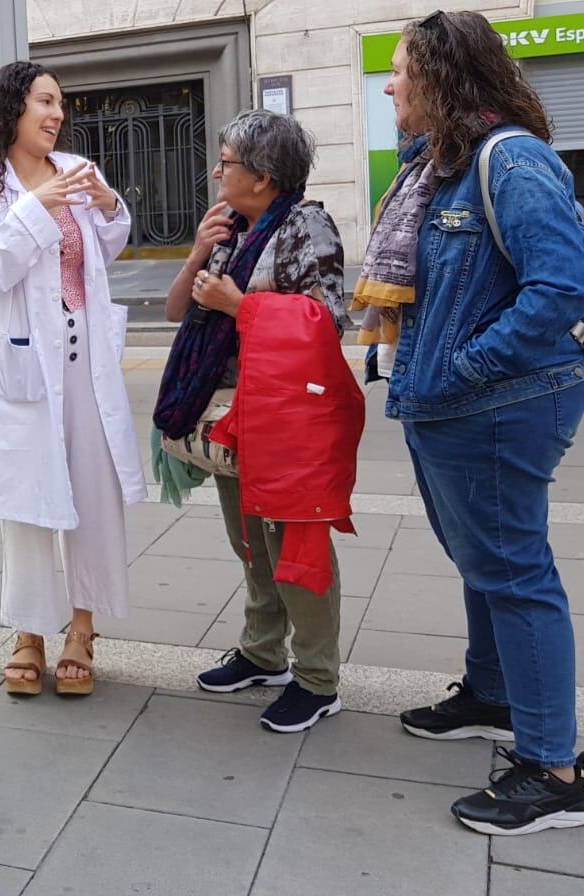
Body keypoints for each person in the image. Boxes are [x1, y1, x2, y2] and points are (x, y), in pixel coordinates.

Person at [360, 9, 584, 835]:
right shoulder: (435, 168)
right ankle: (492, 695)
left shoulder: (512, 159)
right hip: (447, 404)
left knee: (514, 571)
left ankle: (555, 771)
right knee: (482, 562)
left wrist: (469, 365)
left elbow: (561, 288)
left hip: (497, 403)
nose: (389, 84)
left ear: (440, 76)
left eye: (400, 70)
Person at [0, 60, 146, 697]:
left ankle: (82, 630)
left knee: (92, 489)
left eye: (61, 104)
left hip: (82, 356)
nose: (57, 115)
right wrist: (36, 207)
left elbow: (104, 245)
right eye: (45, 102)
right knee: (27, 499)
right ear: (11, 108)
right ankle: (29, 633)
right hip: (21, 359)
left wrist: (110, 205)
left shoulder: (77, 172)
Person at [158, 110, 353, 733]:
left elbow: (326, 321)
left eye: (227, 161)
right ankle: (263, 653)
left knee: (295, 548)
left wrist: (242, 306)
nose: (217, 170)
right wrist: (196, 254)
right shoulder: (231, 228)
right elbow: (173, 311)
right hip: (231, 414)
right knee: (249, 542)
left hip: (286, 419)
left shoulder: (306, 227)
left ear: (264, 176)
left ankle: (317, 680)